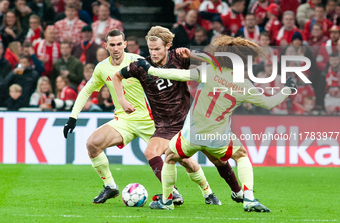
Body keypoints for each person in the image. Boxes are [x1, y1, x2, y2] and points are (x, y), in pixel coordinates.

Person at [138, 36, 297, 211]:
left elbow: (179, 74)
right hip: (218, 138)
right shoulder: (245, 86)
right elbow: (269, 103)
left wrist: (151, 70)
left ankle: (167, 202)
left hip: (191, 135)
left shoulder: (209, 71)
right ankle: (249, 199)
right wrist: (287, 90)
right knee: (242, 155)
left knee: (169, 157)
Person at [113, 26, 242, 205]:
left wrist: (192, 55)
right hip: (165, 126)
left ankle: (236, 191)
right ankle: (172, 193)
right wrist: (122, 100)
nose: (154, 53)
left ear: (168, 46)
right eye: (151, 49)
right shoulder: (141, 66)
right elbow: (116, 76)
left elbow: (213, 64)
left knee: (216, 158)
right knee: (152, 152)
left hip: (191, 120)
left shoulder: (179, 57)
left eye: (157, 49)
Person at [62, 29, 157, 204]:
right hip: (123, 121)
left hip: (149, 119)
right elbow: (86, 91)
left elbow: (159, 85)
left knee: (180, 154)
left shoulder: (138, 62)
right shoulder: (101, 67)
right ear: (105, 46)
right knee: (92, 143)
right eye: (112, 45)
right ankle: (110, 187)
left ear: (125, 44)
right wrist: (73, 117)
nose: (116, 48)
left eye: (119, 44)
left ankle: (206, 192)